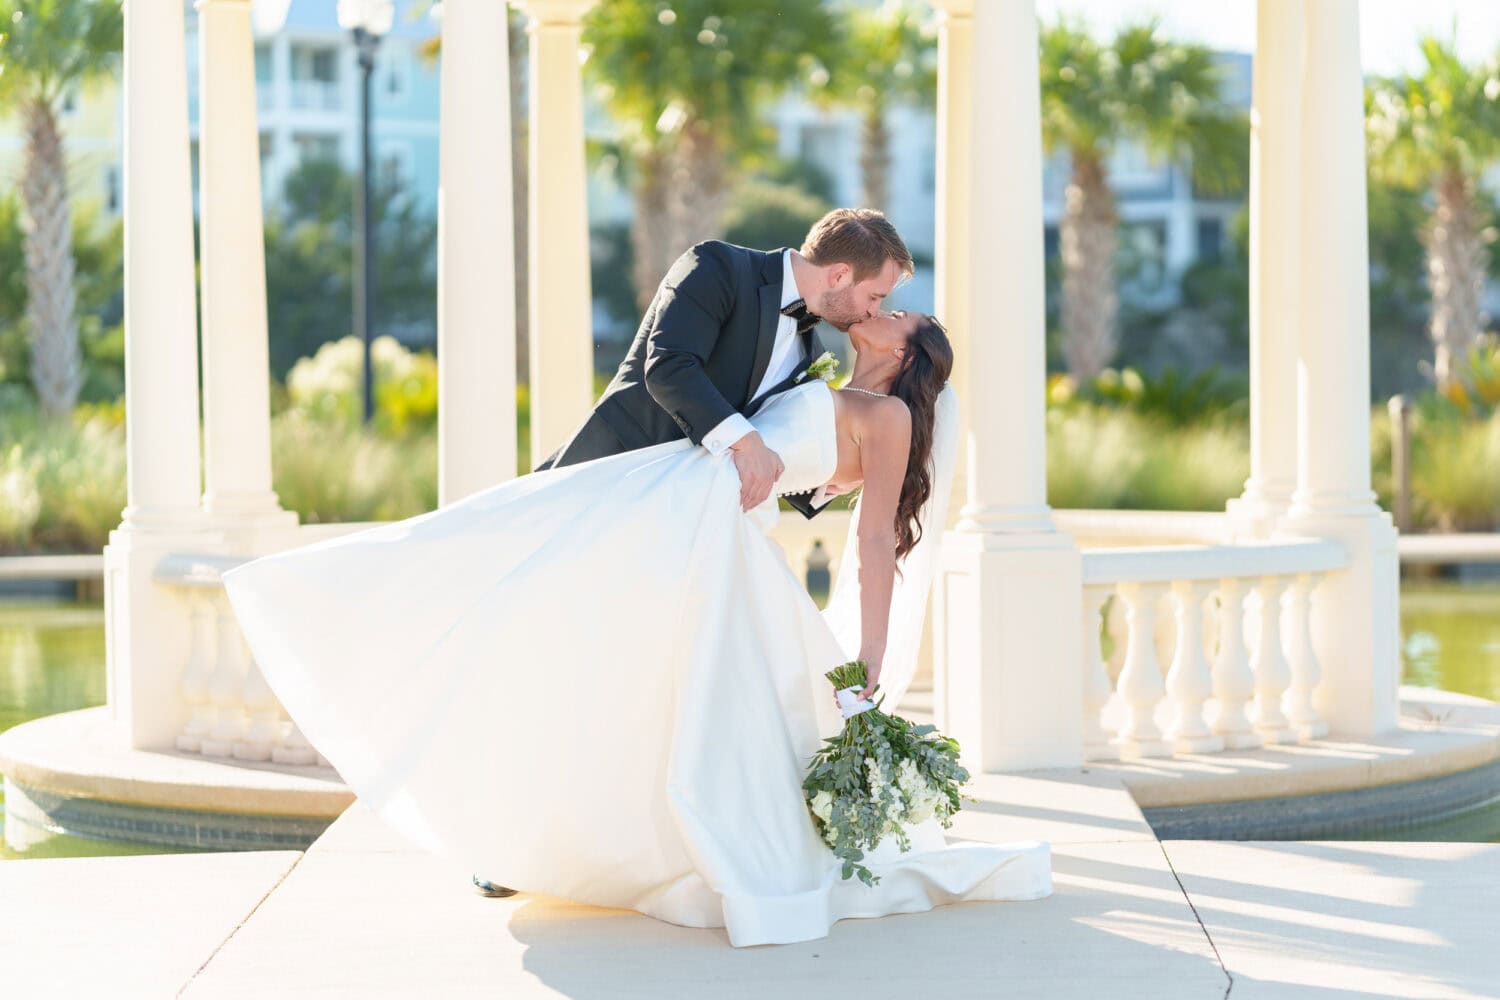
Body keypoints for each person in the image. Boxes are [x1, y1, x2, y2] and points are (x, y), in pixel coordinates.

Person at [222, 305, 1053, 948]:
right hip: (669, 521)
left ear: (910, 350)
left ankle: (599, 849)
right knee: (561, 641)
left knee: (652, 704)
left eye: (900, 309)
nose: (883, 304)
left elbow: (873, 544)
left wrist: (868, 657)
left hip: (708, 551)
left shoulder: (887, 417)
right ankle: (524, 837)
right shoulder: (816, 374)